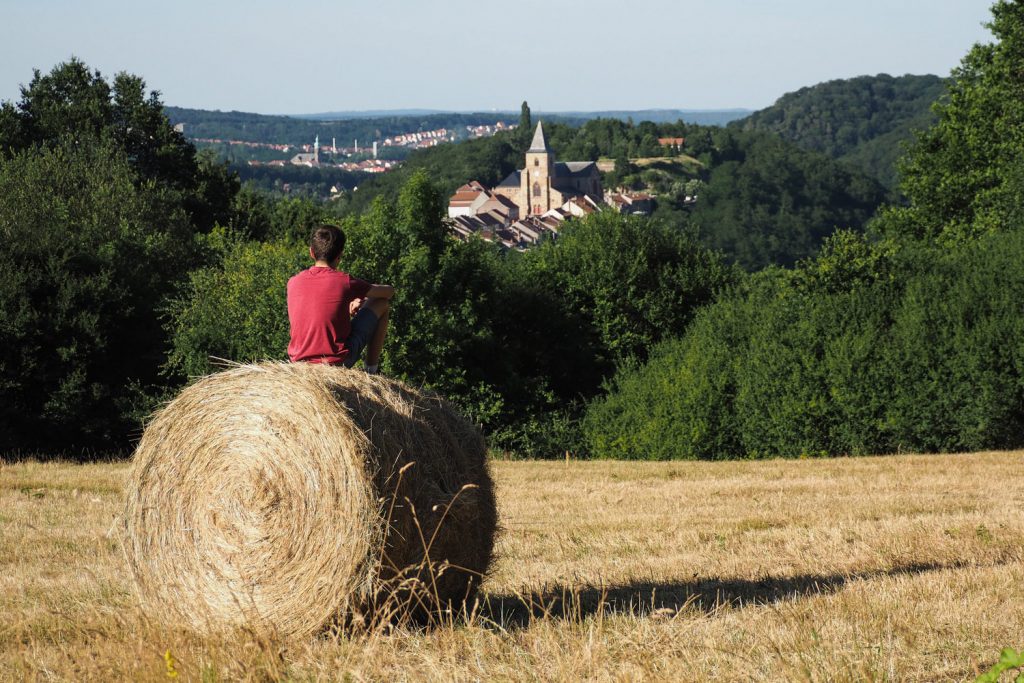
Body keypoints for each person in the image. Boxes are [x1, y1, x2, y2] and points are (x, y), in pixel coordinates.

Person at [287, 224, 394, 373]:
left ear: (311, 252)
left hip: (299, 362)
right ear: (340, 256)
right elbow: (388, 292)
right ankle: (371, 370)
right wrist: (365, 298)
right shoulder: (345, 281)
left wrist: (346, 308)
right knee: (382, 303)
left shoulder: (293, 282)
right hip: (336, 363)